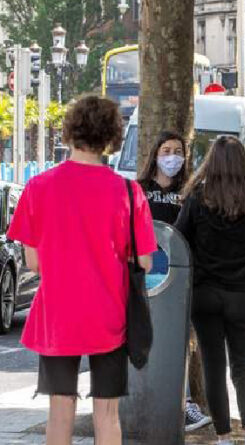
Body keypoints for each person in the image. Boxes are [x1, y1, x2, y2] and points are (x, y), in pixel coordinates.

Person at [7, 95, 157, 444]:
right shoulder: (128, 191)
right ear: (111, 138)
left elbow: (32, 262)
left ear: (69, 133)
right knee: (107, 414)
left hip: (58, 313)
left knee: (60, 409)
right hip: (110, 315)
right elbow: (145, 261)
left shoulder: (38, 188)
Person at [175, 136, 245, 445]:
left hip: (205, 293)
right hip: (242, 292)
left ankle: (224, 436)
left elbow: (179, 238)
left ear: (211, 162)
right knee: (244, 364)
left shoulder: (197, 198)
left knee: (214, 366)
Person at [137, 130, 212, 432]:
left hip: (181, 274)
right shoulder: (139, 189)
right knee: (145, 337)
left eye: (178, 151)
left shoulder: (191, 190)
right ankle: (142, 399)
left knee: (179, 339)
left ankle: (185, 405)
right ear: (155, 154)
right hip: (145, 273)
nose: (172, 157)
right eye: (166, 150)